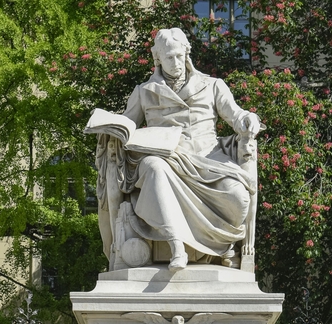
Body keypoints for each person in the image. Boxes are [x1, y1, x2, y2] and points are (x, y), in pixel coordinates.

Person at [95, 28, 261, 272]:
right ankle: (177, 246)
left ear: (186, 53)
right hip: (163, 156)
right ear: (158, 58)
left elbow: (236, 115)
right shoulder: (144, 91)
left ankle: (221, 246)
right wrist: (111, 128)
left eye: (178, 56)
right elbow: (128, 122)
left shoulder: (213, 85)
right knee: (154, 168)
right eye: (168, 57)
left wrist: (249, 119)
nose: (175, 63)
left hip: (207, 157)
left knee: (237, 197)